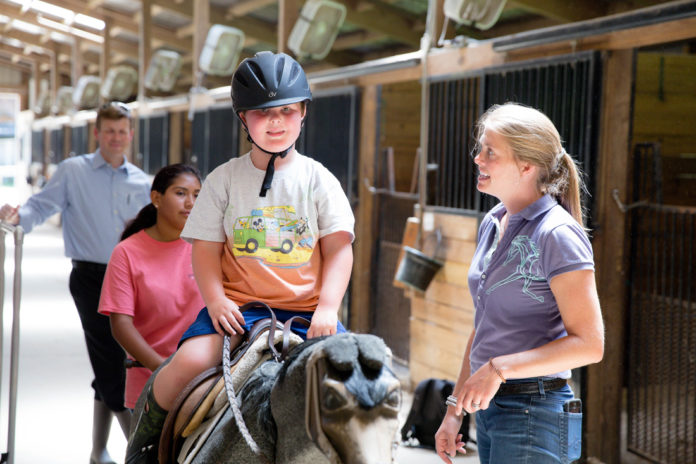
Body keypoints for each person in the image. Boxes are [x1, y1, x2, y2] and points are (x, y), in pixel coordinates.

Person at [125, 51, 355, 463]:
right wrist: (217, 302)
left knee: (355, 385)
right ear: (243, 119)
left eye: (286, 111)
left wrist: (328, 308)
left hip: (308, 313)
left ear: (303, 113)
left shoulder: (319, 180)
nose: (276, 122)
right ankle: (142, 450)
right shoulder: (224, 180)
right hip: (239, 311)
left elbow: (339, 250)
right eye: (262, 113)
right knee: (183, 366)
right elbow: (206, 253)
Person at [434, 103, 604, 464]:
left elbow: (590, 345)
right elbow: (485, 327)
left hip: (534, 409)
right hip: (492, 409)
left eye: (490, 152)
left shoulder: (557, 233)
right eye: (480, 148)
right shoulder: (495, 221)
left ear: (526, 167)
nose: (478, 158)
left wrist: (498, 369)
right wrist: (455, 410)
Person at [0, 102, 151, 464]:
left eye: (122, 131)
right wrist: (19, 216)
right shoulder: (73, 171)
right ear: (97, 133)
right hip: (91, 279)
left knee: (111, 360)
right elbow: (41, 206)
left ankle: (98, 451)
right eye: (109, 131)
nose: (116, 138)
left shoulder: (144, 183)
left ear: (131, 135)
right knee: (114, 365)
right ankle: (147, 452)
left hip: (132, 279)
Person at [98, 164, 203, 410]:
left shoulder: (206, 246)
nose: (190, 202)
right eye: (180, 193)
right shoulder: (127, 253)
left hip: (208, 381)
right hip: (152, 382)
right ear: (156, 197)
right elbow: (121, 325)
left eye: (197, 195)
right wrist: (164, 369)